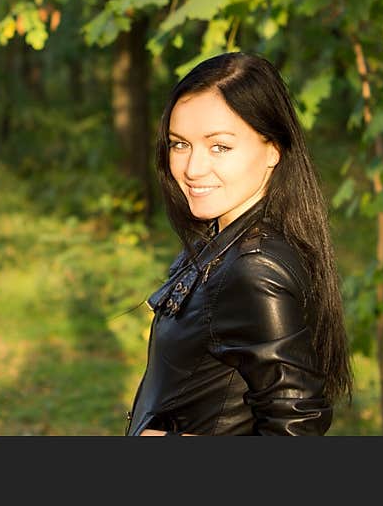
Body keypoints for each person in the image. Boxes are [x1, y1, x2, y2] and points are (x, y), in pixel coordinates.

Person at [126, 51, 353, 436]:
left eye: (219, 147)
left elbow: (297, 431)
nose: (192, 168)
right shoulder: (221, 240)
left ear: (273, 149)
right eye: (180, 144)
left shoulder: (254, 267)